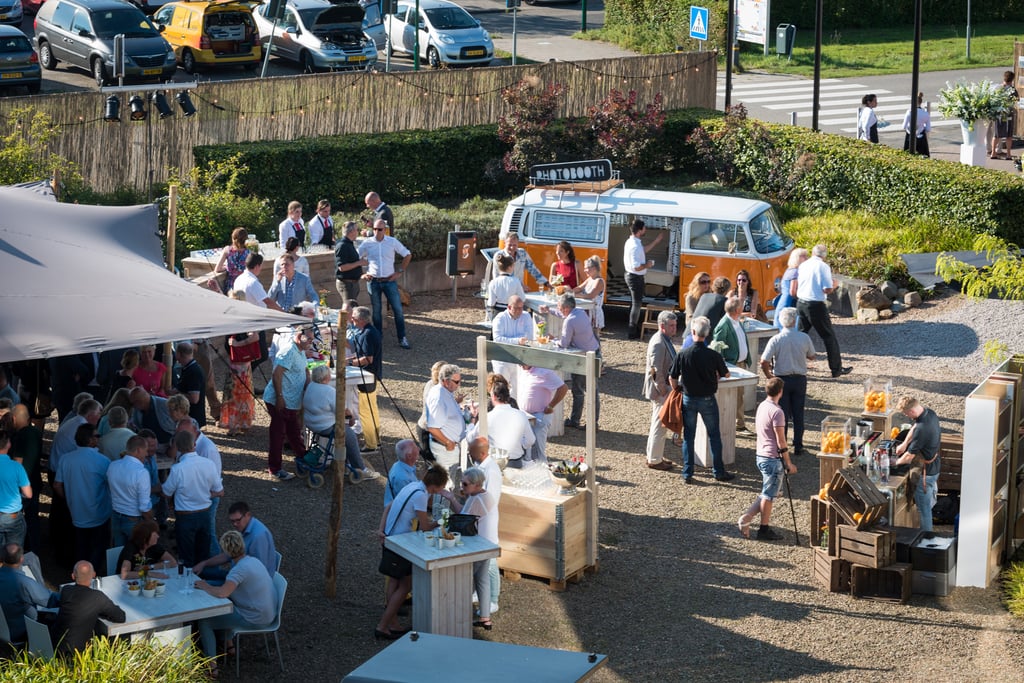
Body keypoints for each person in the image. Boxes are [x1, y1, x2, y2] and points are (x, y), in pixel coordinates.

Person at [375, 465, 450, 640]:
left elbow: (389, 507)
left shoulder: (412, 486)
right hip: (401, 542)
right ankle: (383, 625)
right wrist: (440, 522)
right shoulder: (421, 495)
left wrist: (381, 529)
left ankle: (392, 623)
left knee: (394, 580)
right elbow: (424, 527)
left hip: (390, 537)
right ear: (436, 487)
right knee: (406, 585)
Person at [195, 530, 276, 672]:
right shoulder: (253, 560)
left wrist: (205, 585)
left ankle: (211, 666)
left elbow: (222, 593)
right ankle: (228, 645)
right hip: (267, 613)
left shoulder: (238, 571)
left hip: (255, 619)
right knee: (227, 604)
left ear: (226, 550)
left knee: (204, 621)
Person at [668, 315, 735, 484]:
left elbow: (672, 376)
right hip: (707, 399)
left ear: (693, 332)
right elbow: (726, 374)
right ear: (707, 333)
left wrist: (677, 388)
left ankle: (687, 472)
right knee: (714, 435)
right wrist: (716, 377)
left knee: (689, 436)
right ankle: (718, 471)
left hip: (688, 398)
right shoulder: (713, 355)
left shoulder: (683, 354)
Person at [738, 378, 797, 542]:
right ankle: (763, 528)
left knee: (769, 492)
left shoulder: (762, 406)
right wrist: (788, 462)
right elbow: (781, 441)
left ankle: (747, 518)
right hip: (772, 458)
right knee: (769, 496)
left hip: (761, 455)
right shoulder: (778, 412)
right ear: (781, 392)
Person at [302, 364, 378, 480]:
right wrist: (351, 418)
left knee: (345, 428)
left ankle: (344, 461)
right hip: (324, 426)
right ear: (326, 378)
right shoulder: (329, 391)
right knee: (350, 435)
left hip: (311, 423)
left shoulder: (311, 386)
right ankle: (360, 468)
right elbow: (342, 411)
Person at [162, 430, 224, 567]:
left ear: (177, 447)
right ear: (194, 444)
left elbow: (166, 492)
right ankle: (202, 584)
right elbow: (219, 491)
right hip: (204, 515)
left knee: (186, 558)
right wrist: (205, 495)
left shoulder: (178, 469)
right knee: (203, 557)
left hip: (185, 517)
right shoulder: (209, 464)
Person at [54, 423, 111, 573]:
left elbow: (57, 485)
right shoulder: (102, 461)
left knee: (80, 548)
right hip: (99, 513)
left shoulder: (65, 459)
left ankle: (80, 576)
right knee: (97, 549)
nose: (99, 439)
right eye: (97, 436)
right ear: (91, 440)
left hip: (76, 513)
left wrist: (69, 499)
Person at [760, 307, 816, 456]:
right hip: (799, 379)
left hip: (781, 379)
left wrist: (769, 375)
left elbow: (764, 361)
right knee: (798, 413)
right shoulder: (804, 338)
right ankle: (798, 445)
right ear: (795, 320)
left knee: (781, 413)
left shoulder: (776, 339)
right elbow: (812, 356)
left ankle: (781, 444)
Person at [448, 466, 497, 630]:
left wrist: (451, 499)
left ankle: (459, 617)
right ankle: (485, 618)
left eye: (465, 484)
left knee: (464, 580)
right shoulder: (485, 495)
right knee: (482, 580)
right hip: (488, 544)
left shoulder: (476, 499)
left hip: (478, 546)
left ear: (476, 485)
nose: (462, 487)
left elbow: (463, 519)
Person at [263, 327, 311, 480]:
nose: (311, 341)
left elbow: (305, 370)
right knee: (278, 434)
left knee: (294, 431)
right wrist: (280, 397)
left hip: (291, 401)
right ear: (299, 336)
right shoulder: (289, 351)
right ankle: (275, 468)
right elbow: (276, 374)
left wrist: (308, 386)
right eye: (308, 339)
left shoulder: (301, 350)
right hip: (280, 399)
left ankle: (303, 457)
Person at [796, 244, 851, 377]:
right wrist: (835, 284)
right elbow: (827, 289)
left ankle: (794, 364)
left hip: (801, 302)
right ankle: (836, 369)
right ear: (824, 255)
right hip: (815, 305)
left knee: (799, 336)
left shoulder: (804, 264)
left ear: (813, 253)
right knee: (828, 337)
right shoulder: (823, 266)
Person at [52, 561, 126, 657]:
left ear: (73, 576)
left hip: (55, 646)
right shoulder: (97, 597)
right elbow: (120, 617)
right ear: (94, 575)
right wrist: (100, 610)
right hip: (77, 655)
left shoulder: (66, 590)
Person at [359, 218, 412, 349]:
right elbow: (356, 258)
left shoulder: (392, 242)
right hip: (373, 281)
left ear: (385, 230)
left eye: (380, 229)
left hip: (389, 280)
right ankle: (378, 339)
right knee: (376, 312)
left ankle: (402, 337)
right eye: (375, 229)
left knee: (398, 310)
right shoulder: (367, 243)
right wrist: (363, 274)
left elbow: (407, 254)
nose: (377, 232)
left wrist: (400, 271)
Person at [194, 501, 278, 581]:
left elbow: (259, 571)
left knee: (199, 586)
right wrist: (204, 563)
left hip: (245, 582)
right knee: (202, 573)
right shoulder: (245, 528)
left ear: (248, 515)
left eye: (238, 520)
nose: (234, 524)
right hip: (237, 574)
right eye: (232, 521)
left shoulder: (258, 537)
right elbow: (228, 555)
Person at [551, 293, 601, 430]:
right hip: (595, 352)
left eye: (559, 307)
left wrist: (552, 339)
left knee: (578, 389)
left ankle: (575, 420)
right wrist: (549, 311)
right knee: (593, 390)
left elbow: (564, 343)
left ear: (566, 308)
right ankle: (592, 423)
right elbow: (563, 315)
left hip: (583, 356)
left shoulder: (569, 321)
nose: (559, 310)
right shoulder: (580, 313)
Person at [893, 396, 942, 533]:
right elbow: (914, 427)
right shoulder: (929, 413)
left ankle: (927, 539)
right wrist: (904, 444)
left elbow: (909, 457)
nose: (905, 416)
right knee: (927, 505)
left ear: (912, 411)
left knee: (923, 510)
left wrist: (893, 463)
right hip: (935, 466)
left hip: (926, 474)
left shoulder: (922, 429)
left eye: (906, 413)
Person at [467, 436, 502, 613]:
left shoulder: (492, 471)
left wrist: (473, 500)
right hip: (481, 520)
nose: (469, 454)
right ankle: (480, 593)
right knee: (481, 562)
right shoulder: (482, 466)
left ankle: (493, 599)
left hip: (486, 521)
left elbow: (491, 499)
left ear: (481, 452)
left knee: (490, 561)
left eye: (471, 451)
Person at [0, 544, 56, 643]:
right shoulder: (24, 582)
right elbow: (49, 600)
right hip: (24, 630)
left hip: (4, 629)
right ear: (21, 559)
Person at [712, 297, 752, 431]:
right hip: (732, 366)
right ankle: (736, 424)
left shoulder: (736, 321)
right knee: (732, 396)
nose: (743, 309)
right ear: (736, 310)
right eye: (741, 307)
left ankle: (739, 423)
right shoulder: (724, 325)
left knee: (740, 395)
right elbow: (717, 348)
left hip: (740, 364)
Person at [644, 310, 677, 471]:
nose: (674, 328)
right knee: (659, 425)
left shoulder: (663, 339)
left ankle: (653, 456)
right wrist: (664, 390)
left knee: (657, 425)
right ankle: (655, 460)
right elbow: (656, 371)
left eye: (675, 325)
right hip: (660, 391)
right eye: (671, 326)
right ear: (662, 326)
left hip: (662, 389)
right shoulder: (658, 342)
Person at [106, 435, 154, 547]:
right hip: (133, 519)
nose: (147, 454)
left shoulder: (113, 465)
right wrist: (152, 522)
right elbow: (144, 507)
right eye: (145, 451)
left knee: (118, 553)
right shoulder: (141, 472)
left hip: (115, 516)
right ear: (138, 450)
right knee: (137, 555)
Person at [347, 307, 383, 453]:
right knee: (372, 409)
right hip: (371, 376)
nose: (352, 320)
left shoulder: (368, 334)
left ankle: (370, 444)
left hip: (367, 376)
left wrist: (348, 363)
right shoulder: (368, 331)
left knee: (365, 411)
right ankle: (376, 440)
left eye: (354, 318)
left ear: (361, 320)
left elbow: (367, 358)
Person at [517, 364, 569, 464]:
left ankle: (542, 474)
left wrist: (551, 406)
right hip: (525, 416)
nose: (520, 365)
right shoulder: (523, 371)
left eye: (522, 363)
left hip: (539, 416)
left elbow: (563, 388)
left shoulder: (544, 372)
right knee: (526, 450)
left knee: (538, 452)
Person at [623, 219, 664, 339]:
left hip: (630, 275)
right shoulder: (635, 245)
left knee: (634, 303)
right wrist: (648, 265)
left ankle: (633, 328)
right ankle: (632, 331)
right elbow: (636, 267)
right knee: (637, 304)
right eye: (644, 228)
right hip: (635, 277)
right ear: (640, 230)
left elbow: (643, 250)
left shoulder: (631, 242)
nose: (645, 230)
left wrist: (656, 242)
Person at [425, 364, 468, 479]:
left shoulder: (445, 392)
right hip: (445, 449)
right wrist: (448, 442)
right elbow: (433, 427)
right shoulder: (439, 397)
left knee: (447, 481)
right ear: (445, 381)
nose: (459, 385)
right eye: (457, 382)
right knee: (445, 483)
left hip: (448, 447)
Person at [10, 405, 43, 552]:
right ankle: (35, 548)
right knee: (33, 519)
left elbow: (18, 463)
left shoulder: (20, 437)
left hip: (21, 486)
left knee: (17, 521)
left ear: (14, 418)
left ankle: (18, 551)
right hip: (34, 482)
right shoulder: (36, 432)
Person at [220, 306, 257, 436]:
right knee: (237, 394)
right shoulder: (233, 318)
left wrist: (237, 344)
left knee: (236, 394)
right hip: (236, 363)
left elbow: (255, 336)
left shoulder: (245, 319)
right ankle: (241, 423)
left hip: (240, 364)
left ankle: (237, 424)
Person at [483, 378, 534, 469]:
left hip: (494, 461)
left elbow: (473, 437)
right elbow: (531, 439)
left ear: (494, 396)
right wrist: (521, 445)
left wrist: (472, 423)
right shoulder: (521, 415)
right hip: (515, 461)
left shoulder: (488, 417)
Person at [491, 295, 533, 396]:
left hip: (519, 357)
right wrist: (517, 340)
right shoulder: (500, 318)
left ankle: (515, 410)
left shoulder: (526, 315)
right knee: (500, 389)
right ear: (509, 307)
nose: (519, 311)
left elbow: (529, 336)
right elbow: (498, 339)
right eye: (516, 308)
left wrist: (511, 340)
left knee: (518, 389)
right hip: (502, 358)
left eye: (521, 308)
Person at [483, 232, 547, 290]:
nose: (512, 247)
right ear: (505, 243)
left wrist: (546, 282)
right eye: (510, 245)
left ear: (518, 244)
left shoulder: (523, 253)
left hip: (519, 289)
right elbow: (496, 276)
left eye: (514, 245)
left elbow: (533, 269)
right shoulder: (499, 255)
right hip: (504, 290)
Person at [0, 430, 31, 548]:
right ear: (9, 444)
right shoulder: (16, 467)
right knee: (14, 553)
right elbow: (28, 494)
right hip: (12, 516)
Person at [173, 341, 207, 428]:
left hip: (192, 418)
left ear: (179, 354)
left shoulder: (194, 371)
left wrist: (175, 393)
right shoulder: (189, 368)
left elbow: (194, 398)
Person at [334, 221, 367, 302]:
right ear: (351, 232)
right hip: (346, 284)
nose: (357, 232)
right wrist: (359, 262)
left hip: (352, 283)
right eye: (356, 230)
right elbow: (342, 267)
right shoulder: (342, 246)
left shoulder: (349, 244)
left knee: (351, 309)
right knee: (349, 309)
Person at [486, 253, 525, 320]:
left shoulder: (493, 282)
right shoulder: (515, 281)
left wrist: (489, 316)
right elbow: (522, 298)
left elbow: (491, 302)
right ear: (510, 267)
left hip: (497, 311)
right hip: (512, 311)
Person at [775, 249, 807, 330]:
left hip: (783, 300)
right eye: (803, 256)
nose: (806, 258)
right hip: (789, 302)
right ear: (797, 258)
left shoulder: (789, 270)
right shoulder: (796, 272)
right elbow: (792, 291)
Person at [574, 255, 606, 336]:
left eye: (586, 268)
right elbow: (579, 288)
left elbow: (591, 295)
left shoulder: (599, 281)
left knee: (594, 337)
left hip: (594, 313)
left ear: (594, 268)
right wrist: (567, 290)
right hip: (586, 311)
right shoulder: (590, 279)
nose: (584, 270)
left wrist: (575, 295)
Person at [384, 440, 420, 508]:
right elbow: (408, 502)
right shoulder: (403, 478)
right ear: (409, 456)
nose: (419, 449)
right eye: (415, 448)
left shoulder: (399, 464)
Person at [214, 227, 250, 292]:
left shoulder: (227, 250)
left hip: (231, 286)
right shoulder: (249, 252)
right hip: (244, 285)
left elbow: (217, 269)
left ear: (233, 238)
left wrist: (227, 267)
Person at [992, 71, 1018, 159]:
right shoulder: (1013, 90)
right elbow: (1016, 100)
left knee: (996, 135)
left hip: (999, 113)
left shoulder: (998, 88)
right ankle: (1008, 154)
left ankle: (993, 153)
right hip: (1009, 114)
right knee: (1009, 135)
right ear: (1012, 79)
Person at [902, 91, 931, 157]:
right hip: (921, 137)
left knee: (908, 156)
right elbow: (928, 129)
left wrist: (909, 129)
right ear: (921, 102)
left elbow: (904, 126)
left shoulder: (909, 112)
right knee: (923, 156)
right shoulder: (925, 114)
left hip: (910, 136)